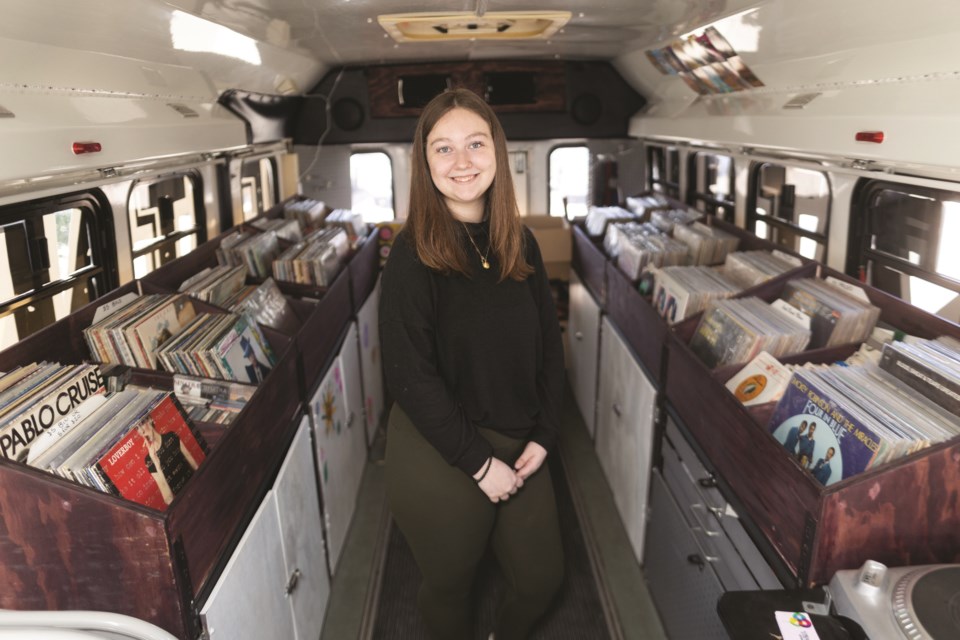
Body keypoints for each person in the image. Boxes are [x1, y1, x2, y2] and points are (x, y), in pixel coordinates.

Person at [379, 87, 565, 640]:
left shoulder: (521, 242)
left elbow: (549, 350)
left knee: (541, 580)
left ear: (497, 152)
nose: (462, 163)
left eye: (475, 144)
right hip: (442, 444)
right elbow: (410, 377)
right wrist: (481, 465)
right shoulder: (411, 257)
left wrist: (545, 434)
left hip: (522, 437)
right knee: (450, 585)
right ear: (425, 162)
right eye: (443, 148)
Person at [138, 415, 199, 505]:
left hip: (197, 488)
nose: (141, 431)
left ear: (150, 419)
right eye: (137, 428)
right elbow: (169, 500)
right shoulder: (149, 460)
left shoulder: (171, 437)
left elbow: (194, 465)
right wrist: (157, 464)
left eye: (142, 423)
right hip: (184, 503)